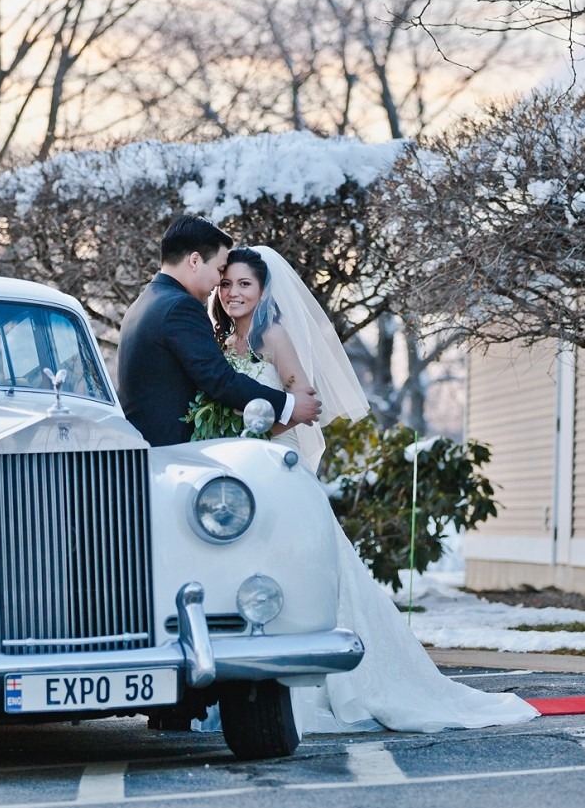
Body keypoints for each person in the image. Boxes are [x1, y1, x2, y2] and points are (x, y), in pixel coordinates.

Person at [206, 244, 538, 733]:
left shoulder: (272, 335)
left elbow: (305, 402)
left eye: (244, 285)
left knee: (303, 572)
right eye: (227, 284)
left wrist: (257, 429)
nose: (233, 293)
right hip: (242, 475)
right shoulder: (222, 339)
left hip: (277, 469)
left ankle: (334, 687)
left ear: (262, 290)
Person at [118, 214, 321, 446]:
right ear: (195, 261)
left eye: (244, 283)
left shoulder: (143, 303)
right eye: (220, 271)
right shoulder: (179, 306)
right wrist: (289, 404)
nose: (219, 283)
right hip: (172, 450)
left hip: (158, 448)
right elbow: (219, 380)